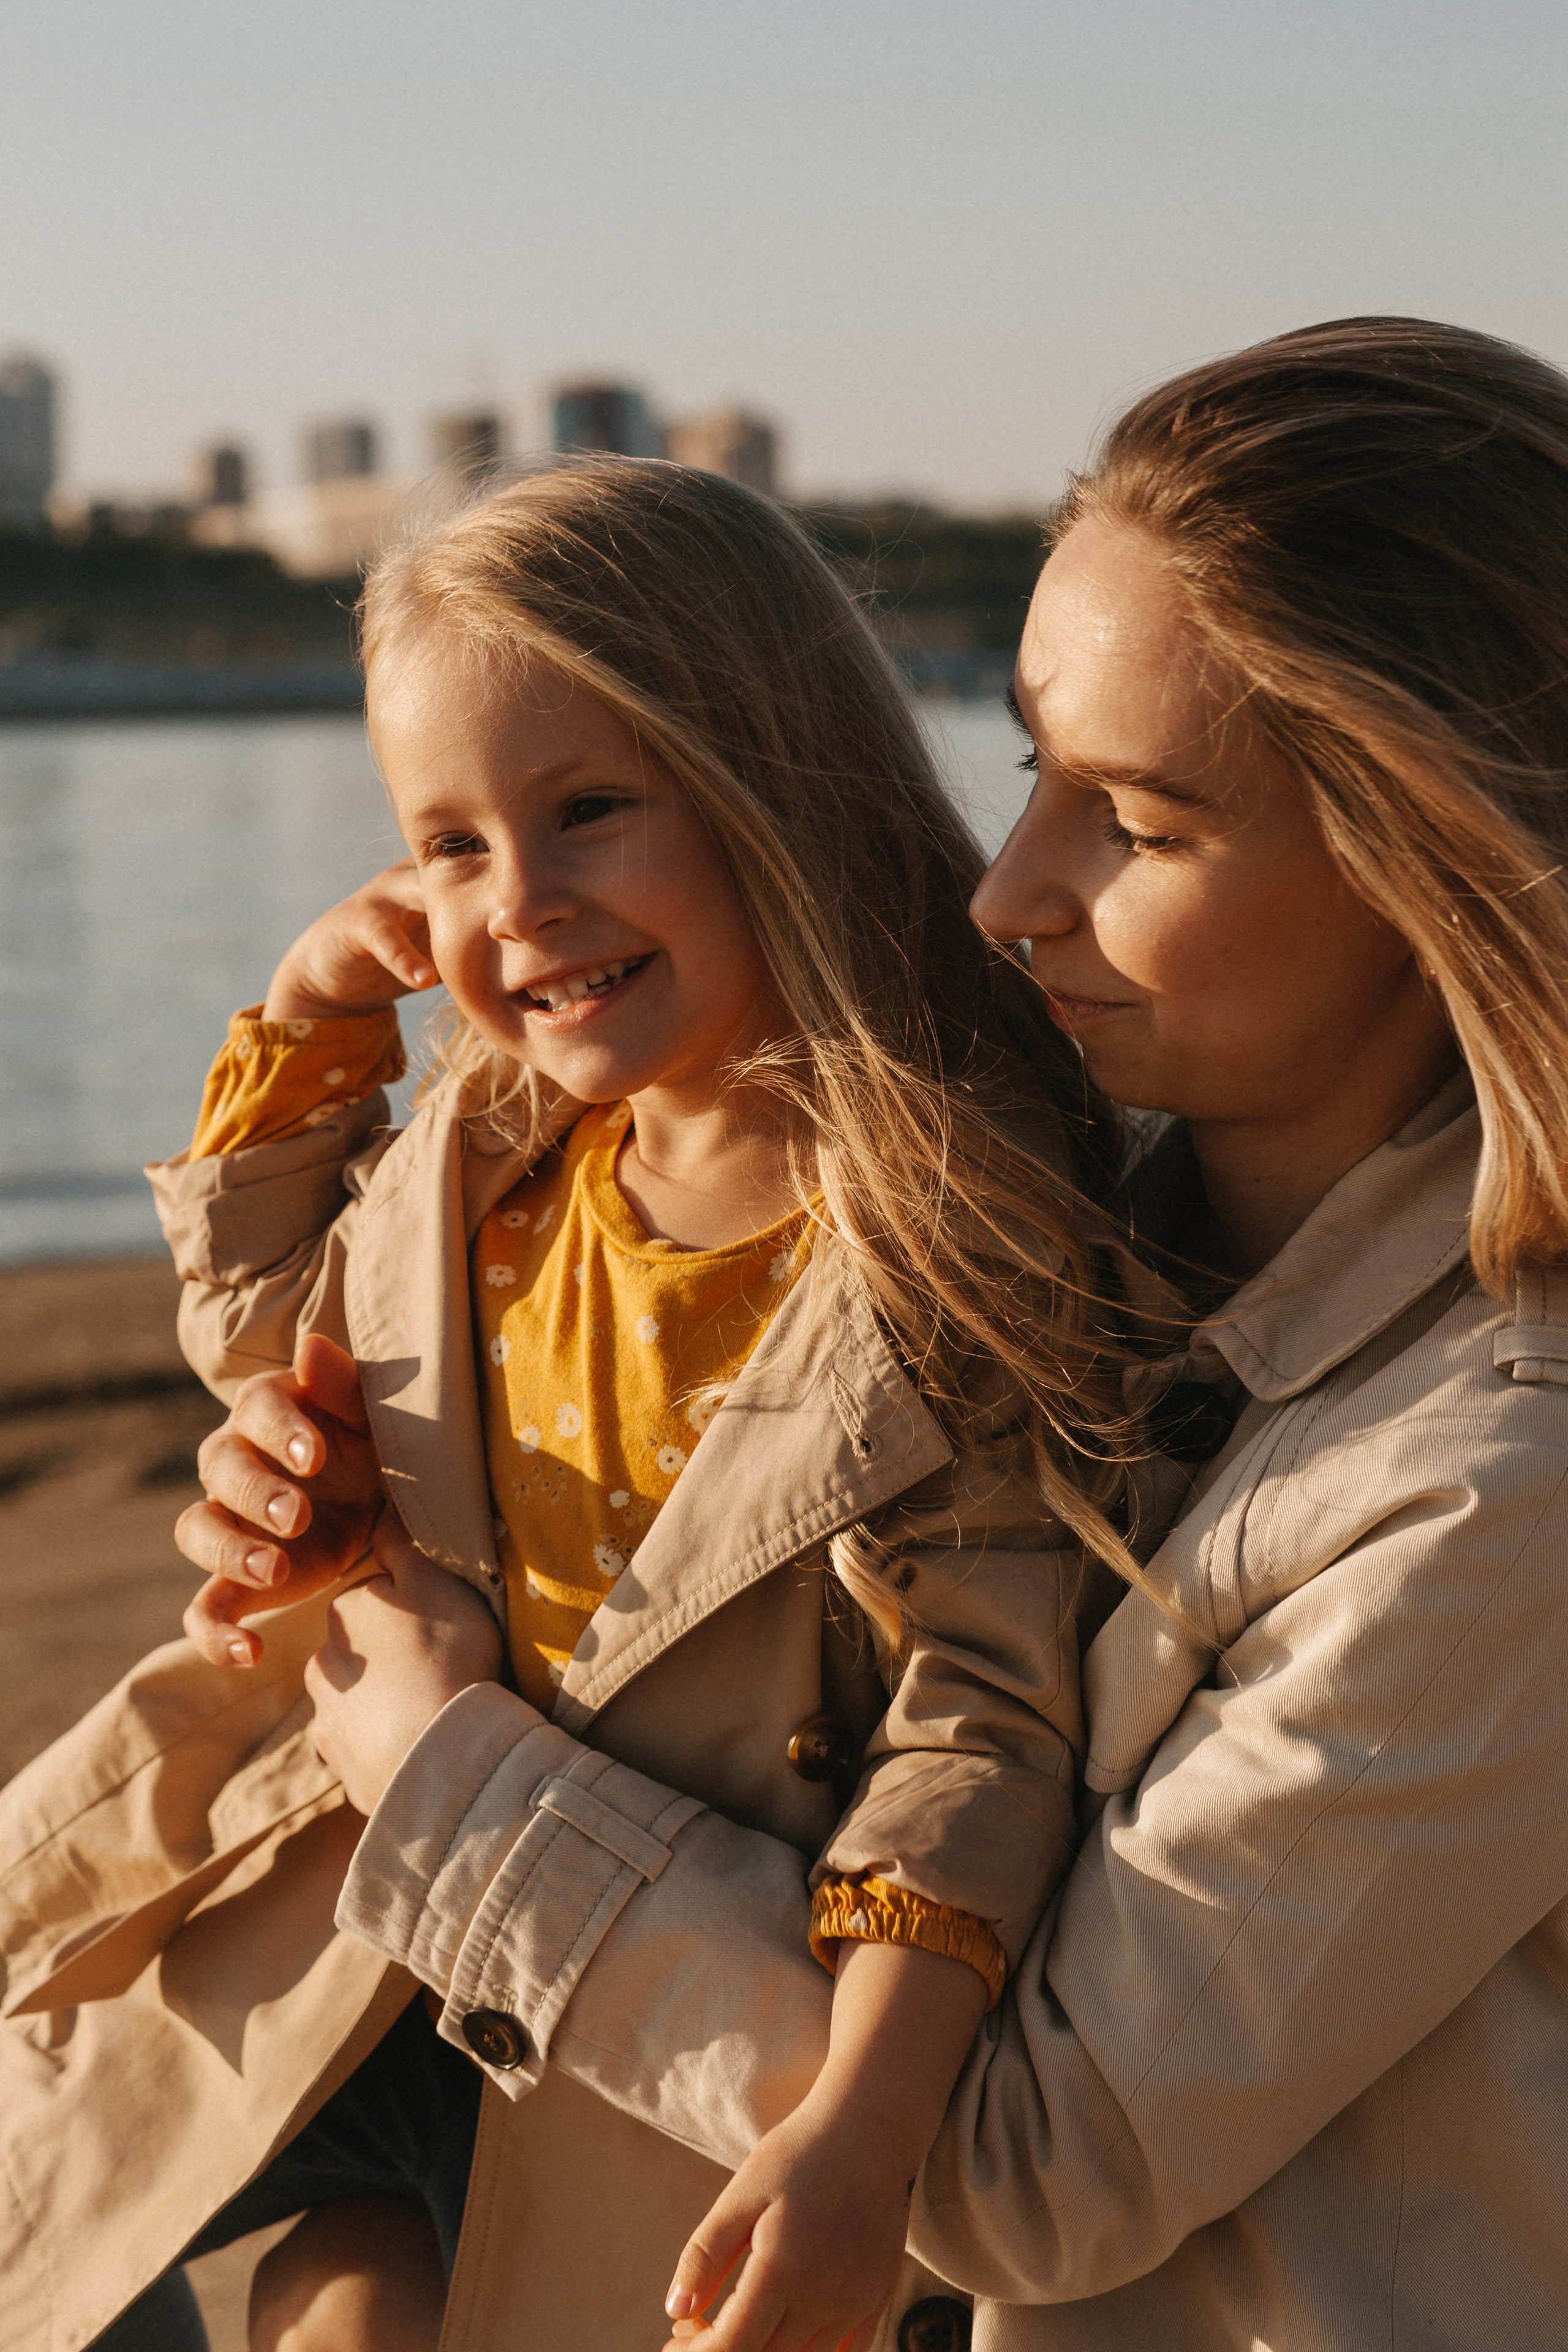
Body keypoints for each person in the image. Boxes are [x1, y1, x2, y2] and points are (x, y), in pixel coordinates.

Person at [167, 315, 1568, 2351]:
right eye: (1029, 771)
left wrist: (438, 1765)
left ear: (1435, 859)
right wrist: (315, 1485)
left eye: (1137, 822)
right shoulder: (1046, 1216)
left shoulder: (1499, 1485)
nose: (1006, 892)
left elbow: (1020, 2166)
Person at [0, 459, 1153, 2352]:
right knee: (305, 2286)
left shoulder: (959, 1229)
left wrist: (860, 2131)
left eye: (590, 809)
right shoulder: (501, 1144)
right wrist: (313, 1031)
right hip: (374, 1928)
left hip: (673, 1998)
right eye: (447, 846)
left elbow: (982, 1736)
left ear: (784, 778)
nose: (516, 907)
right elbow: (275, 1329)